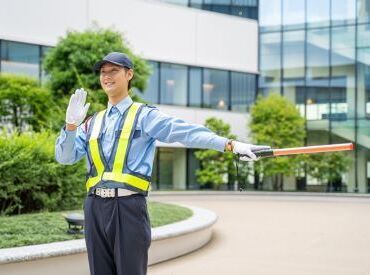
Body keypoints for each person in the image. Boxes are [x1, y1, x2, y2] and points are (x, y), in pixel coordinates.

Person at [55, 52, 270, 275]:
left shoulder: (144, 115)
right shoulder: (92, 121)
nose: (107, 76)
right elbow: (65, 157)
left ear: (129, 74)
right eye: (103, 72)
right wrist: (71, 126)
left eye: (114, 71)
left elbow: (185, 132)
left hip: (128, 207)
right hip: (94, 206)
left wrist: (230, 145)